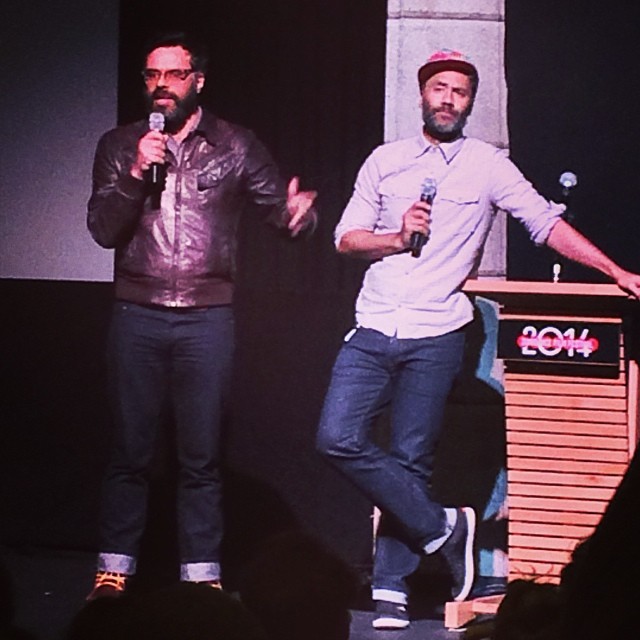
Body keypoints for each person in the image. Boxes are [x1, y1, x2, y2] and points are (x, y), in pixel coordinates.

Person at [315, 48, 640, 630]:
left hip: (438, 329)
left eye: (459, 92)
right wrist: (397, 238)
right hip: (374, 323)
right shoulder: (385, 161)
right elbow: (346, 238)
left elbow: (544, 224)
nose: (448, 99)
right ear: (422, 94)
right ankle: (447, 527)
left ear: (470, 103)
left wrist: (614, 270)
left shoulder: (488, 165)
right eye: (439, 88)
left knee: (411, 458)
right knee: (336, 437)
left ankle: (391, 586)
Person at [86, 30, 317, 600]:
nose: (161, 86)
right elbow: (102, 230)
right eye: (152, 75)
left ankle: (201, 577)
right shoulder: (120, 144)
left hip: (206, 319)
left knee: (201, 456)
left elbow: (281, 213)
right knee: (129, 451)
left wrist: (299, 218)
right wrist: (136, 172)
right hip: (137, 313)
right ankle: (113, 571)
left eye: (173, 75)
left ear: (198, 81)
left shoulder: (235, 144)